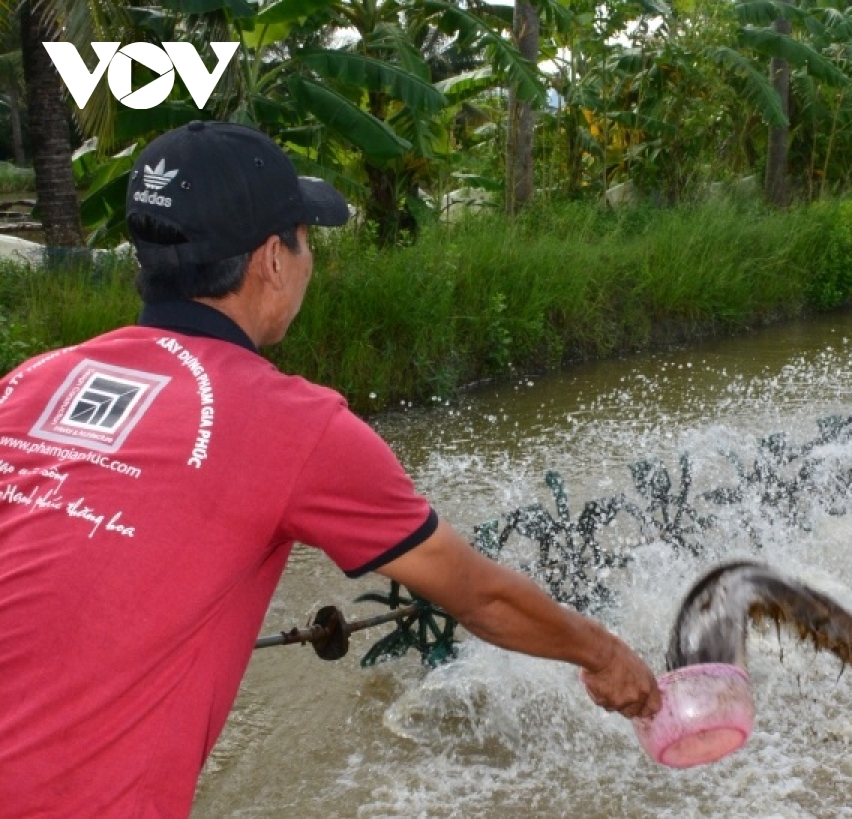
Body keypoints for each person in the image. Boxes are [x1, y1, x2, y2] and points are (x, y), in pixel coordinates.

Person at [0, 120, 661, 818]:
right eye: (305, 237)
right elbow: (477, 593)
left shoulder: (29, 382)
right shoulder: (290, 423)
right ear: (272, 261)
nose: (309, 257)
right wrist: (606, 655)